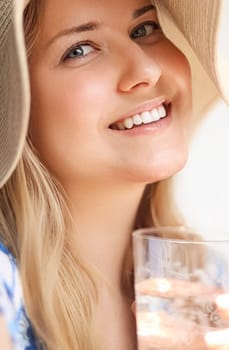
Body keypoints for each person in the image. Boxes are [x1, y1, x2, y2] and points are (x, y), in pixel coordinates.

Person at [0, 0, 228, 349]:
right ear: (15, 105)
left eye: (144, 29)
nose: (146, 69)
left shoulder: (208, 283)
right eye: (79, 50)